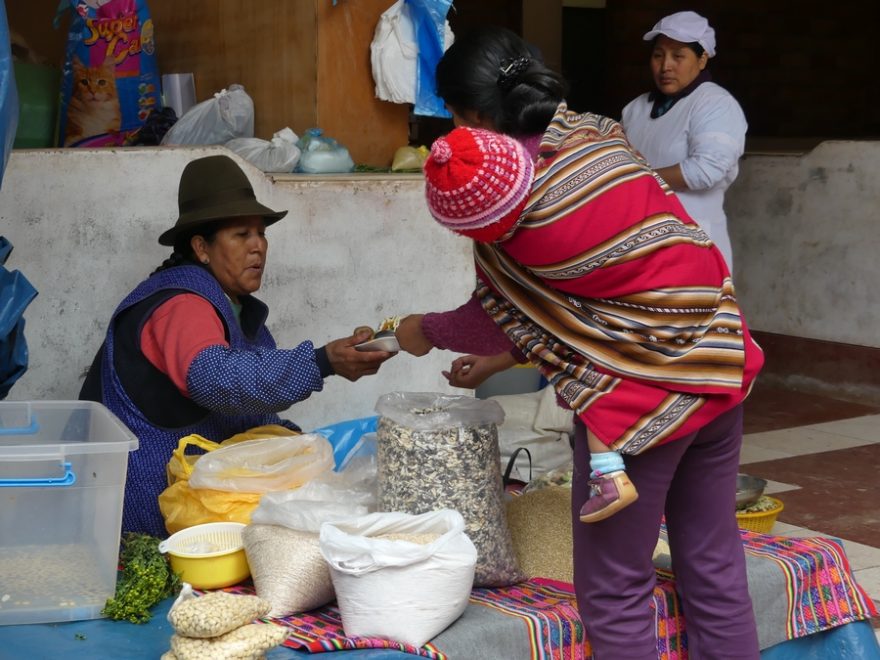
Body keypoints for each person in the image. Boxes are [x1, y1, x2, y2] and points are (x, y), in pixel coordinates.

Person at [389, 26, 763, 659]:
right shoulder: (595, 136)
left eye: (453, 117)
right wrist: (506, 356)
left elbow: (498, 312)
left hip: (639, 404)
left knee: (615, 589)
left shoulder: (516, 214)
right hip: (718, 354)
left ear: (473, 115)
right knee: (713, 558)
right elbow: (595, 297)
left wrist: (420, 330)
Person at [80, 154, 393, 538]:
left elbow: (251, 408)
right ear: (202, 248)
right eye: (241, 235)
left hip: (203, 503)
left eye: (261, 233)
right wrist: (322, 361)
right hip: (153, 521)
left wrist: (306, 450)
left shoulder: (229, 303)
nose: (258, 246)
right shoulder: (180, 305)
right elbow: (217, 379)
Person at [621, 10, 747, 270]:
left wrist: (637, 180)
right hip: (638, 244)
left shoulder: (715, 104)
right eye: (658, 55)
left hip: (693, 243)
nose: (666, 65)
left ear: (702, 59)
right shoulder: (635, 109)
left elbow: (705, 170)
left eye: (678, 56)